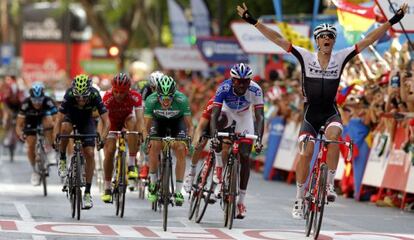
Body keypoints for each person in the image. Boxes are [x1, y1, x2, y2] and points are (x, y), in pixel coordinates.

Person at [236, 2, 408, 219]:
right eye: (323, 36)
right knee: (306, 153)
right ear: (317, 41)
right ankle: (299, 197)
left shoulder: (341, 57)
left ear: (333, 41)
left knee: (335, 136)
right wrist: (253, 21)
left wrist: (392, 21)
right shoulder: (306, 56)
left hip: (330, 112)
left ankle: (328, 185)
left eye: (330, 36)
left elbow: (369, 39)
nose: (327, 39)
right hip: (310, 115)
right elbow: (278, 39)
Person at [210, 63, 265, 219]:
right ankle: (219, 167)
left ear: (250, 81)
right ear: (232, 79)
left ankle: (241, 201)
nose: (241, 85)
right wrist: (215, 135)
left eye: (245, 81)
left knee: (245, 155)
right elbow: (214, 115)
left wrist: (259, 139)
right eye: (238, 81)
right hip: (227, 113)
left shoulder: (256, 89)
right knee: (219, 125)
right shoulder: (223, 88)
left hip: (244, 117)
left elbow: (260, 117)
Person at [53, 74, 109, 209]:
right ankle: (62, 159)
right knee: (65, 128)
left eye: (84, 97)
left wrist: (102, 137)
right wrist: (56, 136)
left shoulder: (95, 95)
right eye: (78, 97)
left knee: (89, 153)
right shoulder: (69, 94)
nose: (81, 100)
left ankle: (88, 193)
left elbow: (106, 121)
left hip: (86, 121)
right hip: (70, 117)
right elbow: (59, 119)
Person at [144, 75, 193, 206]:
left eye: (169, 98)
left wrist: (190, 141)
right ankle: (153, 184)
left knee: (181, 148)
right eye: (162, 98)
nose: (165, 102)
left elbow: (190, 126)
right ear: (157, 95)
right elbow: (146, 127)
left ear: (174, 95)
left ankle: (178, 191)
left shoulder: (182, 100)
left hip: (177, 122)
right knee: (154, 145)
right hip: (158, 121)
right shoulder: (151, 100)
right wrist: (146, 141)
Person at [100, 73, 144, 203]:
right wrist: (102, 138)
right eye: (116, 91)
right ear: (112, 88)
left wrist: (142, 134)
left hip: (126, 121)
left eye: (122, 92)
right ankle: (107, 188)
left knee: (133, 121)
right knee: (109, 151)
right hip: (111, 123)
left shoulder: (135, 97)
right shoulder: (107, 97)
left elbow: (141, 119)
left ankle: (131, 164)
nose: (118, 94)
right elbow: (104, 122)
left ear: (128, 90)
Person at [183, 96, 230, 199]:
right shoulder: (213, 103)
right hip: (210, 125)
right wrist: (195, 142)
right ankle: (191, 173)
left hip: (226, 126)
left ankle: (215, 184)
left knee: (225, 148)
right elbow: (200, 127)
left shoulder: (237, 105)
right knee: (201, 142)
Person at [15, 83, 58, 186]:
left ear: (43, 98)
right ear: (31, 98)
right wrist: (21, 134)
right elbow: (19, 124)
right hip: (30, 120)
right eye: (35, 100)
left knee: (49, 123)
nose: (37, 103)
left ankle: (51, 150)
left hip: (44, 117)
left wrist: (56, 133)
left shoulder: (48, 101)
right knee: (30, 144)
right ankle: (34, 170)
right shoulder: (26, 104)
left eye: (40, 100)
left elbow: (57, 119)